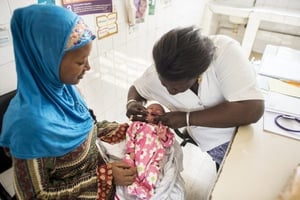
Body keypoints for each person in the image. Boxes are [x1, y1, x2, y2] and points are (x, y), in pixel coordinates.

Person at [0, 4, 136, 199]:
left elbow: (89, 129)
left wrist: (126, 129)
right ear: (47, 59)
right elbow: (36, 195)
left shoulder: (66, 90)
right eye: (80, 62)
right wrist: (106, 177)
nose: (88, 67)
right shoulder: (28, 126)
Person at [126, 26, 265, 171]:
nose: (170, 92)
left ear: (198, 73)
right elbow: (136, 90)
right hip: (215, 144)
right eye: (164, 84)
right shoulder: (155, 74)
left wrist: (187, 118)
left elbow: (253, 109)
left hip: (247, 131)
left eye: (176, 88)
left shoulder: (225, 52)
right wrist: (131, 103)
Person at [119, 103, 175, 199]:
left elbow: (169, 142)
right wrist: (131, 150)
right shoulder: (138, 124)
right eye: (150, 108)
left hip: (152, 160)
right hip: (136, 155)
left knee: (153, 173)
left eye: (159, 110)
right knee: (128, 168)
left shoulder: (163, 129)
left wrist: (163, 136)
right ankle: (131, 186)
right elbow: (130, 135)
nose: (154, 110)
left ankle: (146, 191)